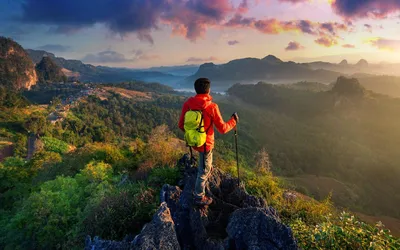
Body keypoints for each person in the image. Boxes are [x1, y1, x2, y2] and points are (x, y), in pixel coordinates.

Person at [178, 78, 239, 206]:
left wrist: (193, 135)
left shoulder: (188, 104)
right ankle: (199, 197)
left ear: (195, 89)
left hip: (194, 142)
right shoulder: (212, 107)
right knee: (203, 171)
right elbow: (222, 129)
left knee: (203, 165)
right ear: (208, 90)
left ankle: (202, 177)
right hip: (206, 144)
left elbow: (181, 125)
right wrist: (233, 121)